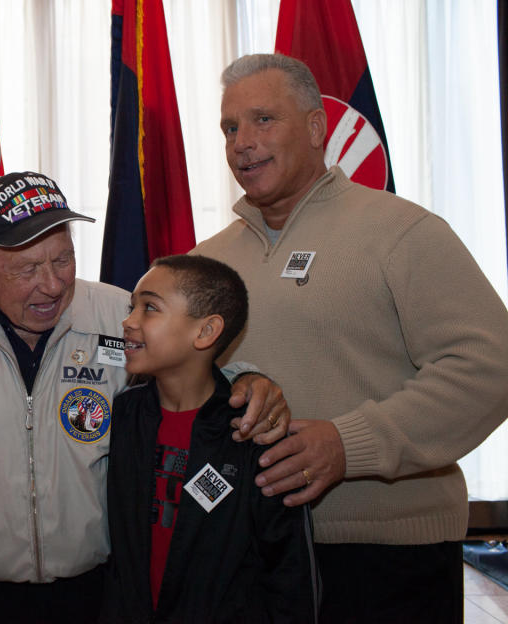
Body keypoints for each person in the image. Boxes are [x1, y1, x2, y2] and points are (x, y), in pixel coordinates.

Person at [0, 171, 291, 624]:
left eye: (63, 260)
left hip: (107, 596)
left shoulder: (120, 317)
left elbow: (192, 371)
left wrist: (247, 380)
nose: (52, 285)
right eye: (28, 269)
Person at [194, 53, 508, 623]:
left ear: (317, 128)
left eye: (264, 119)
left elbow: (489, 368)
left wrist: (349, 444)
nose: (242, 142)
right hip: (245, 554)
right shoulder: (204, 263)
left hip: (387, 560)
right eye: (230, 127)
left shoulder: (404, 233)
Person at [103, 254, 318, 623]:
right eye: (131, 307)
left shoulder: (254, 433)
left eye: (149, 308)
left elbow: (290, 570)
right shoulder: (125, 415)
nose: (128, 321)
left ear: (205, 332)